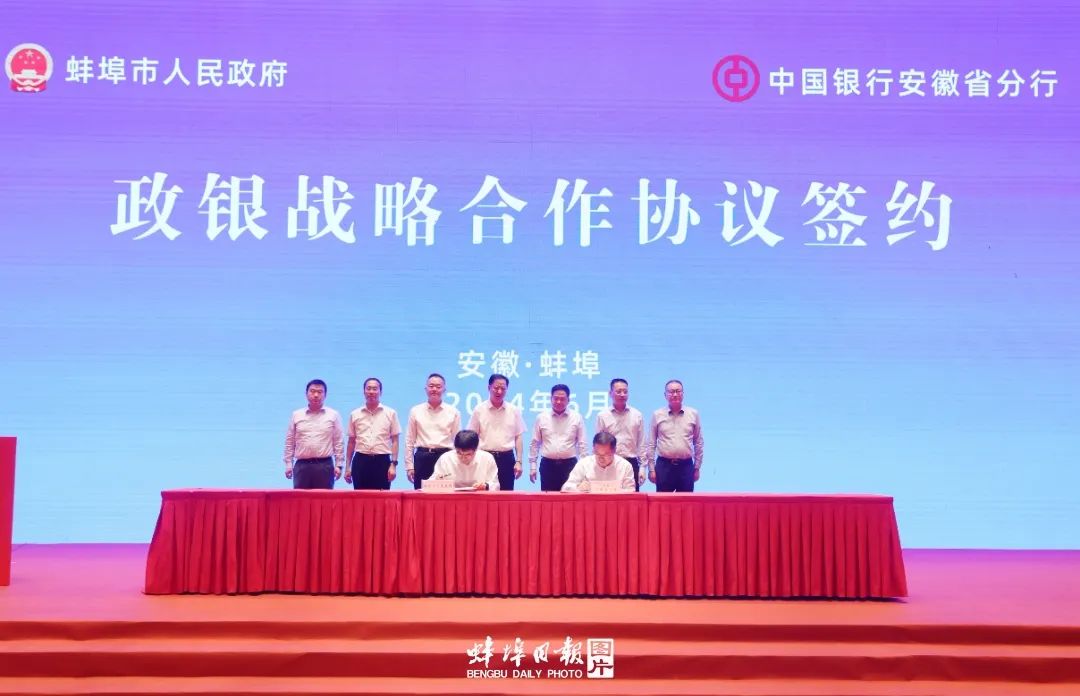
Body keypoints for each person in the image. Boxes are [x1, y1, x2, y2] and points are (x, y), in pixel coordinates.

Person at [467, 373, 525, 491]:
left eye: (503, 388)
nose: (499, 391)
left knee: (506, 493)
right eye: (496, 388)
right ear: (489, 387)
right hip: (484, 457)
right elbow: (472, 436)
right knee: (483, 492)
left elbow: (518, 436)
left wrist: (519, 461)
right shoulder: (479, 410)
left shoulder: (513, 410)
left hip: (507, 458)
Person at [283, 379, 345, 489]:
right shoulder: (296, 415)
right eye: (312, 391)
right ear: (306, 394)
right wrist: (288, 464)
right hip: (302, 466)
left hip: (324, 466)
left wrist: (339, 465)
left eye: (320, 392)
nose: (316, 395)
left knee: (324, 499)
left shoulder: (333, 415)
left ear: (325, 395)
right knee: (300, 499)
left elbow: (338, 442)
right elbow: (290, 442)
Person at [404, 373, 461, 490]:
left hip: (445, 457)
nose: (434, 389)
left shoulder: (453, 412)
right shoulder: (416, 411)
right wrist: (409, 466)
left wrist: (457, 464)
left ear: (444, 390)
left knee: (444, 495)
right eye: (431, 386)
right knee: (420, 495)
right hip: (422, 458)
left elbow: (457, 442)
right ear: (426, 389)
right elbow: (409, 440)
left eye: (438, 387)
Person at [646, 379, 704, 492]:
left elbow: (698, 442)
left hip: (686, 466)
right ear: (665, 395)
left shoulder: (693, 414)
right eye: (671, 392)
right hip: (664, 466)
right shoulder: (657, 415)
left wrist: (697, 467)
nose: (675, 394)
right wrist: (651, 469)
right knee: (663, 502)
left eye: (678, 391)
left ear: (683, 393)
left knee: (686, 501)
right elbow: (651, 443)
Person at [344, 377, 401, 490]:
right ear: (364, 391)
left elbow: (395, 441)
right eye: (368, 388)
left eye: (375, 389)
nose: (371, 392)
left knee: (382, 499)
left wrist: (393, 464)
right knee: (360, 499)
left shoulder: (390, 413)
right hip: (360, 462)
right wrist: (347, 467)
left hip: (382, 462)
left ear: (380, 392)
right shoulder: (355, 414)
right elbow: (351, 442)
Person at [528, 383, 586, 491]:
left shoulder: (577, 417)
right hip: (548, 466)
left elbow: (582, 444)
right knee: (548, 500)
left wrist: (584, 468)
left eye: (562, 399)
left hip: (570, 466)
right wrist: (533, 467)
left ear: (568, 400)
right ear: (551, 399)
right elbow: (535, 443)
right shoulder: (541, 417)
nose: (559, 401)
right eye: (556, 398)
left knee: (570, 498)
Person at [594, 377, 648, 490]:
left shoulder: (637, 415)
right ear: (610, 393)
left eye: (625, 391)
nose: (622, 394)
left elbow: (641, 443)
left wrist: (643, 467)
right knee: (609, 497)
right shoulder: (603, 416)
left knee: (632, 498)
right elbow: (598, 444)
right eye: (618, 391)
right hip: (609, 462)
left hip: (631, 462)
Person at [562, 432, 635, 492]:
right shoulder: (583, 464)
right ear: (593, 449)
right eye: (597, 454)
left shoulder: (625, 466)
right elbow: (566, 487)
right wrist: (578, 488)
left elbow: (631, 490)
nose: (601, 459)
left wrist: (616, 490)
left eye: (605, 455)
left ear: (614, 451)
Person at [427, 429, 500, 491]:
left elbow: (495, 485)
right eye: (459, 453)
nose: (463, 457)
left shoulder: (487, 458)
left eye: (468, 454)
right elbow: (430, 484)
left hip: (479, 498)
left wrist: (486, 486)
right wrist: (436, 481)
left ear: (476, 450)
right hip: (452, 498)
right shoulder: (445, 458)